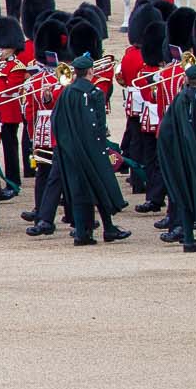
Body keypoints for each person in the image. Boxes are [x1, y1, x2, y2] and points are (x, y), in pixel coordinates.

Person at [47, 52, 131, 246]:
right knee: (100, 187)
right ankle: (108, 228)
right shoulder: (94, 93)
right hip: (92, 150)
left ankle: (82, 233)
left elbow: (56, 120)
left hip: (70, 150)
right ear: (91, 71)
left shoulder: (66, 92)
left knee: (79, 191)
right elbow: (98, 125)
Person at [155, 61, 196, 252]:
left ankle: (189, 238)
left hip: (177, 155)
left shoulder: (181, 97)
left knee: (185, 196)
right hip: (192, 154)